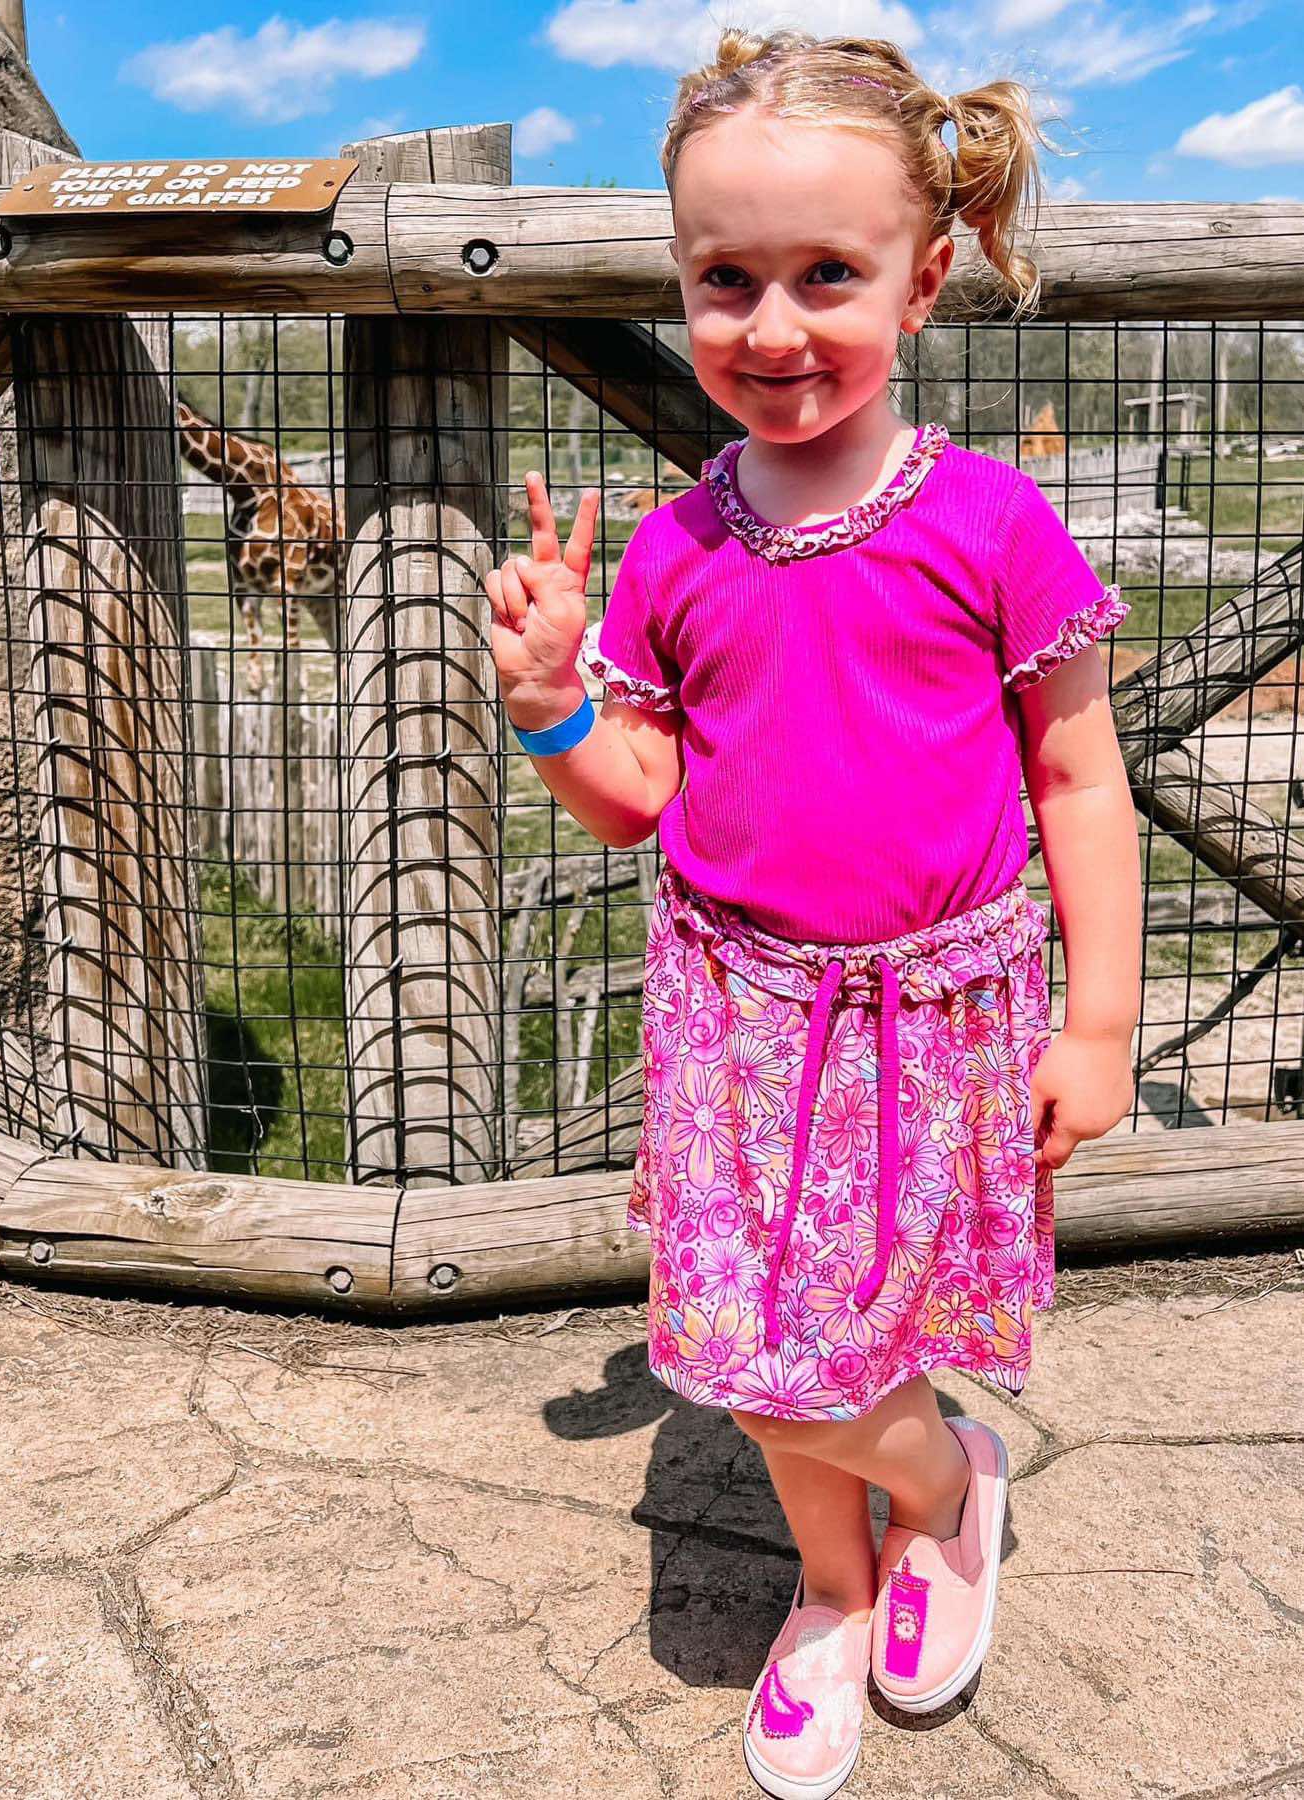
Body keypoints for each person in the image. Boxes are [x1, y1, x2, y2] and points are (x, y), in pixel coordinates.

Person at [484, 27, 1141, 1800]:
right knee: (763, 1357)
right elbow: (638, 797)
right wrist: (552, 697)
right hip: (739, 1015)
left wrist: (1097, 1022)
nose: (770, 328)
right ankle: (851, 1569)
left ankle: (928, 1495)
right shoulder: (675, 548)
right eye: (725, 279)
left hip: (942, 1015)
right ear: (682, 283)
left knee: (860, 1336)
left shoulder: (991, 529)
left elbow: (1081, 781)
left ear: (923, 280)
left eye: (825, 275)